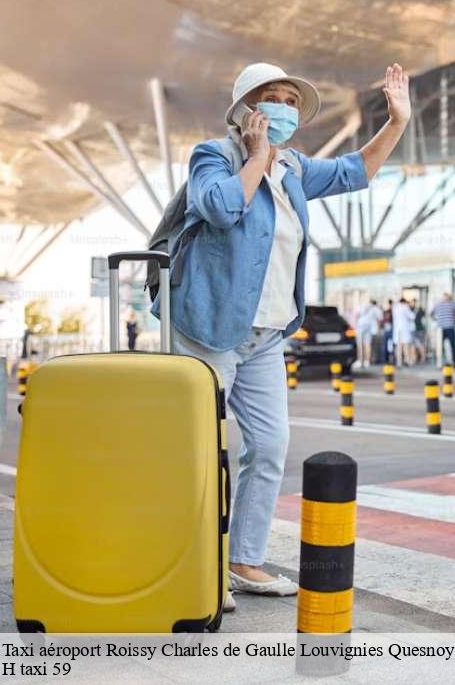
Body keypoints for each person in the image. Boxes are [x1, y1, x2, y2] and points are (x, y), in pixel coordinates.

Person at [151, 61, 411, 612]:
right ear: (246, 108)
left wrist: (397, 122)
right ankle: (193, 567)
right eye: (272, 97)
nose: (284, 108)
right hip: (208, 328)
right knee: (198, 450)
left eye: (292, 100)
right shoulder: (213, 156)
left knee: (269, 446)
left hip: (267, 335)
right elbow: (220, 209)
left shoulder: (294, 169)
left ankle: (242, 560)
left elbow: (354, 172)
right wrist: (253, 157)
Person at [431, 292, 455, 368]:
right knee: (452, 346)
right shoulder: (452, 304)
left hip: (441, 328)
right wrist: (454, 321)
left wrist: (437, 320)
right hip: (449, 327)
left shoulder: (438, 305)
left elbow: (431, 314)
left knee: (440, 347)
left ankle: (439, 363)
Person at [354, 299, 382, 368]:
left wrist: (356, 325)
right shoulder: (374, 308)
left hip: (360, 326)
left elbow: (357, 316)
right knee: (367, 345)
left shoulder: (361, 306)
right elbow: (379, 319)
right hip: (369, 327)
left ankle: (360, 360)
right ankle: (367, 361)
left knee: (360, 344)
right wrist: (378, 329)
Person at [392, 298, 415, 366]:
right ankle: (407, 360)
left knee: (398, 346)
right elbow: (412, 316)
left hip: (397, 329)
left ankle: (398, 361)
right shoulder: (405, 307)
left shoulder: (395, 307)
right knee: (405, 345)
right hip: (404, 329)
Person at [410, 299, 426, 363]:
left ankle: (422, 358)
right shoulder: (412, 310)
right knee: (414, 345)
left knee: (420, 345)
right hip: (415, 330)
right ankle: (416, 358)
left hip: (419, 330)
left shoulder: (420, 311)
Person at [381, 299, 394, 363]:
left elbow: (383, 321)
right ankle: (388, 359)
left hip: (389, 330)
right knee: (389, 345)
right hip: (389, 330)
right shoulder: (389, 311)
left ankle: (388, 359)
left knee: (389, 345)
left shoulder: (389, 311)